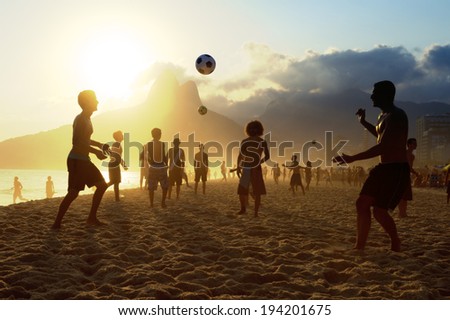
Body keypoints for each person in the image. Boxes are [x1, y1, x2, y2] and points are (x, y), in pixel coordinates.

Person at [333, 80, 409, 252]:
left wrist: (353, 158)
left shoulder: (397, 115)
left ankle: (395, 241)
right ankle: (359, 246)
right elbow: (379, 135)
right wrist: (363, 122)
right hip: (383, 168)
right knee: (361, 204)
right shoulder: (383, 116)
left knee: (379, 212)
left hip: (396, 169)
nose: (371, 96)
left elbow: (384, 146)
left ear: (385, 95)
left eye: (375, 92)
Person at [52, 90, 110, 229]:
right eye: (95, 99)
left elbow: (86, 140)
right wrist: (96, 152)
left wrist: (100, 145)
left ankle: (91, 218)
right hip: (77, 160)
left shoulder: (87, 119)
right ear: (87, 102)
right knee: (73, 192)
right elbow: (77, 142)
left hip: (84, 159)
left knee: (101, 185)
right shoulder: (80, 119)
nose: (97, 101)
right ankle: (57, 223)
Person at [236, 120, 270, 217]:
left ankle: (255, 212)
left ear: (259, 129)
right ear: (248, 129)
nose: (253, 130)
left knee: (257, 191)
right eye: (251, 128)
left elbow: (267, 156)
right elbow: (240, 155)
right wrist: (238, 166)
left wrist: (260, 162)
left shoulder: (262, 142)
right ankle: (243, 209)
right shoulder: (245, 141)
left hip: (256, 168)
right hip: (246, 167)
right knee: (242, 190)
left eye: (255, 128)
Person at [145, 128, 168, 208]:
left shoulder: (148, 144)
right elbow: (163, 156)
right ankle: (163, 203)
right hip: (161, 166)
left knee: (151, 187)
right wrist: (166, 164)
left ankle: (151, 204)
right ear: (158, 135)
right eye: (160, 133)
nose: (161, 135)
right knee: (164, 186)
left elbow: (147, 156)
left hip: (153, 167)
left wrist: (150, 163)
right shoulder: (162, 144)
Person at [397, 138, 418, 217]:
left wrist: (415, 173)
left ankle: (404, 212)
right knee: (402, 195)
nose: (416, 145)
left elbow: (410, 168)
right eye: (414, 143)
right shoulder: (403, 153)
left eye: (416, 144)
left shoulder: (412, 156)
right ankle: (401, 212)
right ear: (409, 144)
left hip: (406, 176)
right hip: (401, 175)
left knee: (405, 196)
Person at [108, 130, 128, 202]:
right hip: (114, 164)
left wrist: (122, 164)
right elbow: (116, 156)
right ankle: (101, 188)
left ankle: (117, 198)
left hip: (114, 164)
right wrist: (123, 164)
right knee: (114, 181)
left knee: (115, 181)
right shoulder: (117, 144)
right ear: (118, 137)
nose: (123, 136)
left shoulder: (117, 144)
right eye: (121, 135)